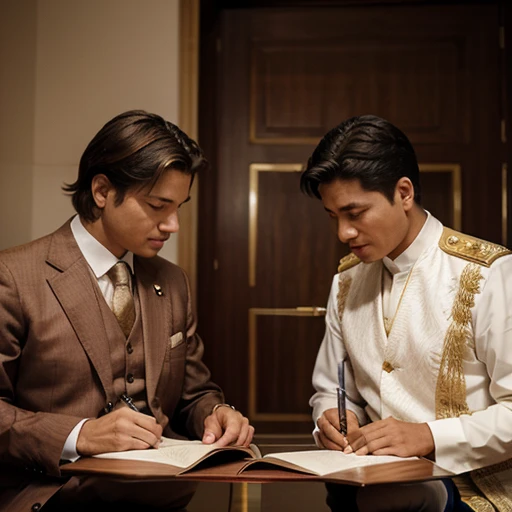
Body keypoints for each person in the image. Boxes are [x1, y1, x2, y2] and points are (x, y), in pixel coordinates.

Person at [0, 110, 254, 511]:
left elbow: (193, 392)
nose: (172, 225)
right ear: (102, 191)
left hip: (163, 498)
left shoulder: (172, 282)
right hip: (52, 497)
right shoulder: (13, 276)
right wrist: (78, 435)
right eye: (158, 206)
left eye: (179, 207)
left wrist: (217, 412)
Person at [300, 115, 512, 511]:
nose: (343, 233)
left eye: (355, 213)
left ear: (404, 193)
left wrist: (429, 436)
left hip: (475, 487)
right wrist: (331, 414)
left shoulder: (488, 274)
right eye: (333, 216)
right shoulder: (345, 282)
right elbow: (331, 385)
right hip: (369, 480)